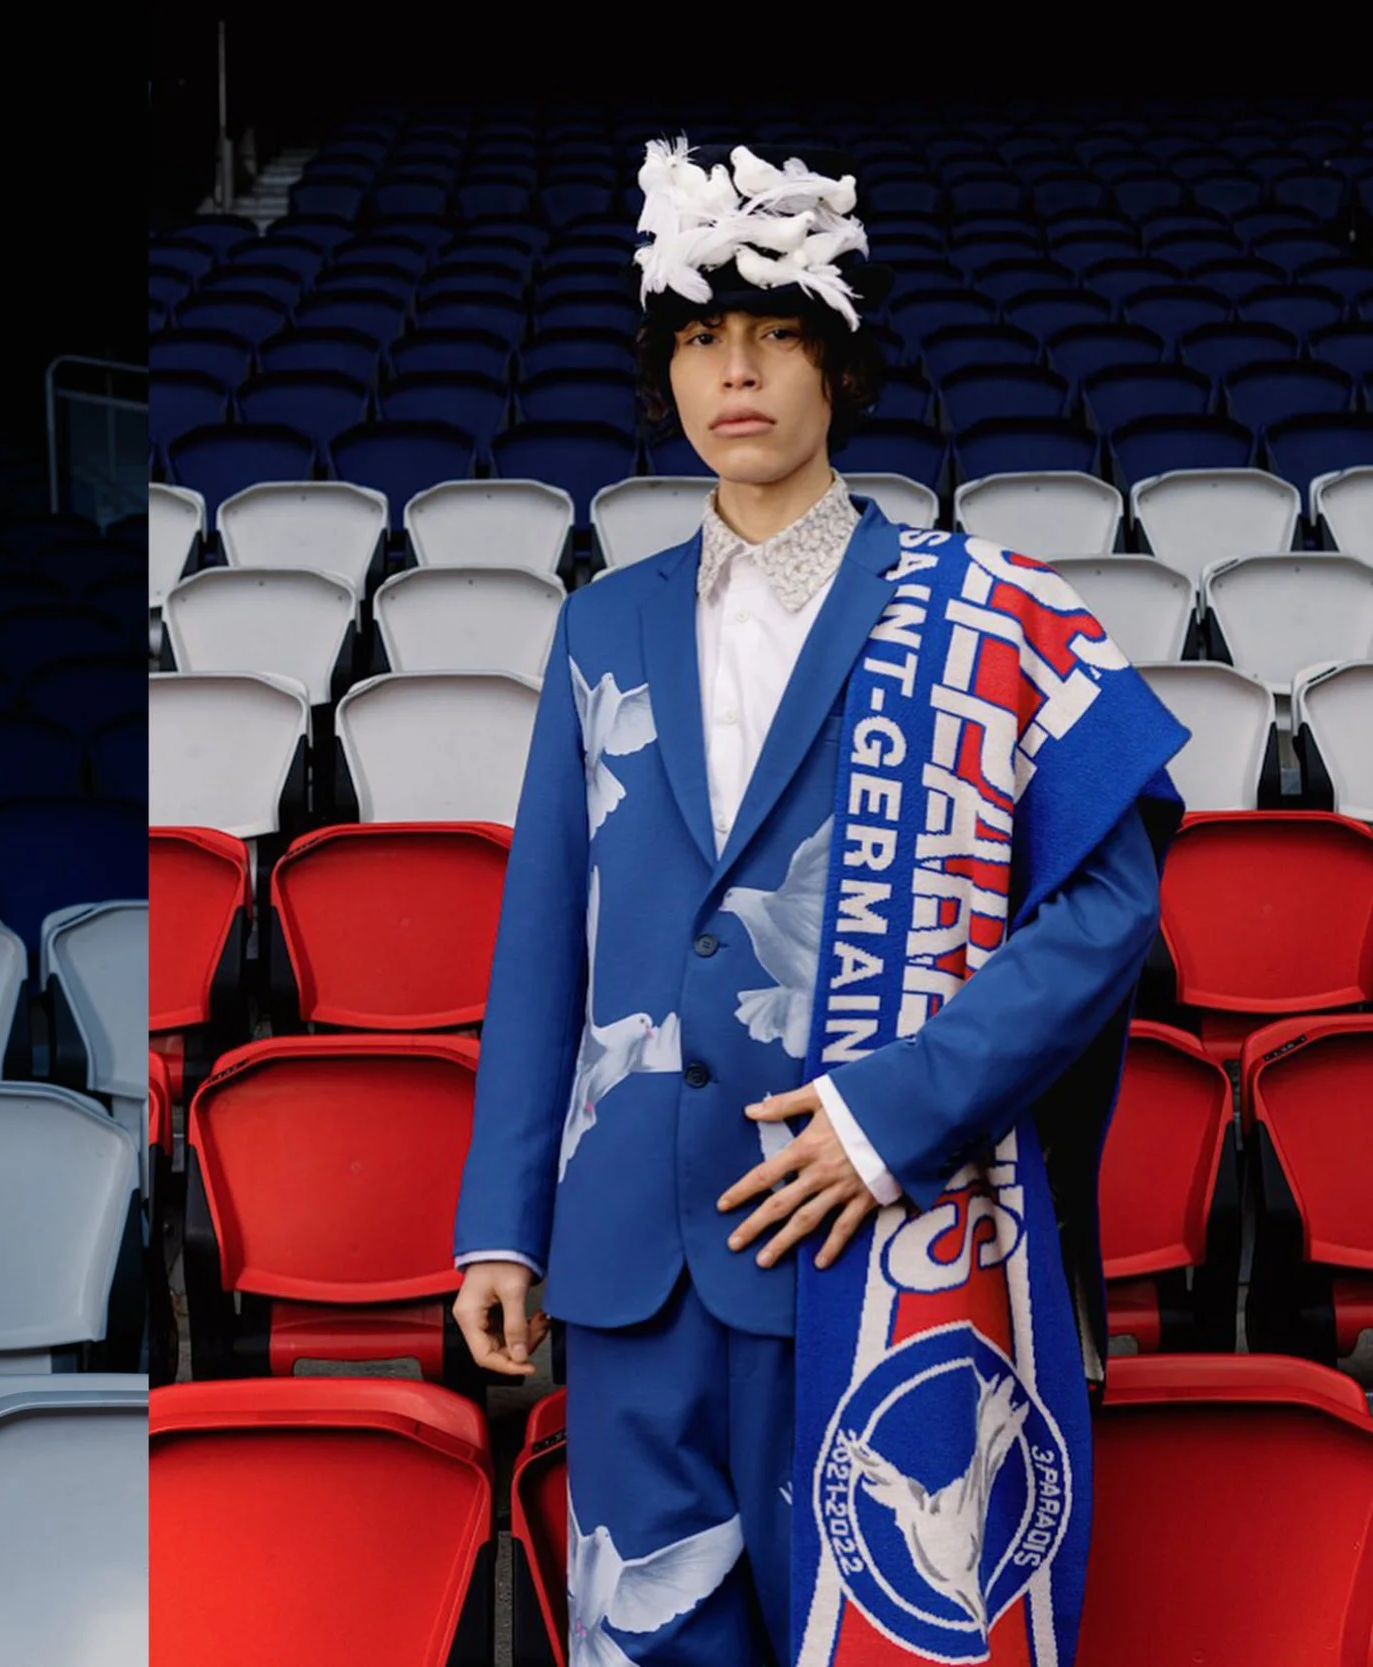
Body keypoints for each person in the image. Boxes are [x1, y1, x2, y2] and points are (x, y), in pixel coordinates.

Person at [450, 139, 1186, 1666]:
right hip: (626, 1256)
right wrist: (496, 1228)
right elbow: (541, 950)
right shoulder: (597, 625)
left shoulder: (978, 605)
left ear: (839, 366)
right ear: (665, 372)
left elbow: (1111, 908)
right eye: (704, 338)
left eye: (778, 334)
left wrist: (890, 1113)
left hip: (861, 1228)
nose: (739, 372)